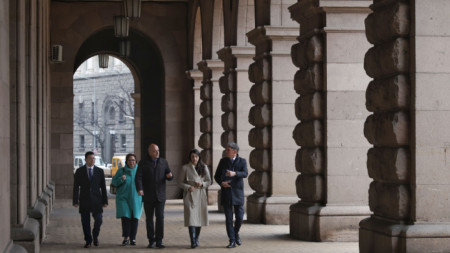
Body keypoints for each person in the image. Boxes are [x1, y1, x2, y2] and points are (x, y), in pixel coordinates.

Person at [135, 144, 173, 248]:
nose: (157, 152)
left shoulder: (163, 162)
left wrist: (170, 176)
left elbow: (169, 174)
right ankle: (151, 240)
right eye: (155, 151)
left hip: (160, 196)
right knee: (149, 219)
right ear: (149, 152)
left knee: (160, 217)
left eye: (158, 150)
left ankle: (159, 240)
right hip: (148, 195)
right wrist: (140, 189)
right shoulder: (143, 163)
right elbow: (138, 177)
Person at [214, 142, 248, 248]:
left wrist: (235, 173)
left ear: (235, 152)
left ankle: (235, 233)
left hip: (238, 194)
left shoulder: (242, 161)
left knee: (239, 217)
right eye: (226, 150)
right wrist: (221, 183)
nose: (226, 152)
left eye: (228, 150)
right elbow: (216, 176)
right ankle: (232, 240)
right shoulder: (223, 161)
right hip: (226, 193)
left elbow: (245, 173)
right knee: (228, 219)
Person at [73, 151, 108, 248]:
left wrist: (105, 201)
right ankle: (88, 240)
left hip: (97, 200)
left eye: (93, 158)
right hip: (84, 200)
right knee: (85, 222)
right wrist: (75, 201)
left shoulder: (99, 171)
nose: (92, 160)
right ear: (85, 159)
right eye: (90, 158)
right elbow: (76, 187)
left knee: (99, 220)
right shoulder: (79, 171)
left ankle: (95, 235)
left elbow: (103, 187)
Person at [177, 149, 211, 248]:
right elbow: (179, 182)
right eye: (192, 156)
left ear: (199, 157)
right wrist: (188, 187)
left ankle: (196, 239)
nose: (194, 158)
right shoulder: (185, 168)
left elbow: (209, 181)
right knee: (191, 218)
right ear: (190, 157)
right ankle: (192, 241)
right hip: (189, 195)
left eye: (196, 156)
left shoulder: (204, 167)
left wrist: (202, 184)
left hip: (200, 194)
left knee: (199, 218)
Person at [111, 153, 143, 246]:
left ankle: (133, 238)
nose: (131, 162)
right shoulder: (121, 171)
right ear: (126, 161)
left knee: (135, 218)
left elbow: (145, 182)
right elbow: (114, 182)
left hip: (136, 198)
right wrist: (121, 179)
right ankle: (126, 237)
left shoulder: (139, 171)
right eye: (129, 160)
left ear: (136, 161)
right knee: (125, 218)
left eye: (133, 160)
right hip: (123, 198)